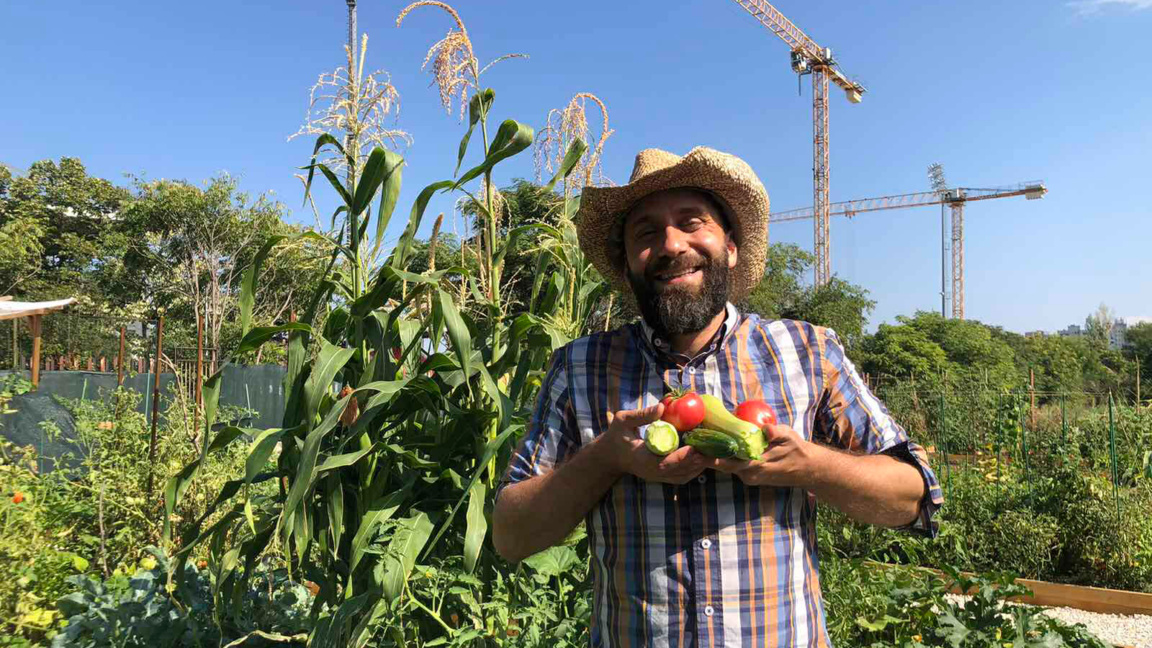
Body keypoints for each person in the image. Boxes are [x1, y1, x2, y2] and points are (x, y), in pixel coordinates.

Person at [492, 146, 943, 647]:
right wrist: (606, 458)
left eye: (692, 222)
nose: (671, 244)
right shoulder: (579, 366)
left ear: (730, 246)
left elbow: (913, 497)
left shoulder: (807, 350)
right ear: (627, 265)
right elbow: (511, 536)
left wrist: (809, 465)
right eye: (645, 233)